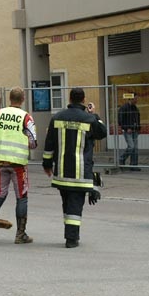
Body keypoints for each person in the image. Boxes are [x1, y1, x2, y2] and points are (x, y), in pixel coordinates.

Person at [43, 88, 107, 248]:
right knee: (75, 206)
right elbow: (102, 132)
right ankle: (71, 238)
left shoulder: (57, 118)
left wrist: (47, 164)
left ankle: (70, 233)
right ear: (84, 100)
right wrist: (95, 115)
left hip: (62, 172)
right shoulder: (89, 119)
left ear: (70, 99)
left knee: (67, 204)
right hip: (80, 173)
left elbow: (49, 144)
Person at [0, 87, 37, 245]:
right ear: (23, 99)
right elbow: (33, 142)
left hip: (0, 162)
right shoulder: (26, 117)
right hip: (18, 164)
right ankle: (20, 234)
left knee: (0, 194)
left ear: (10, 98)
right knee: (21, 197)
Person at [117, 92, 141, 171]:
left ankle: (134, 165)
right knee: (131, 146)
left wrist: (138, 128)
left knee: (135, 148)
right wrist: (126, 128)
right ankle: (122, 158)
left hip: (135, 130)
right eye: (135, 98)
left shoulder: (135, 108)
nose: (137, 100)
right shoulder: (124, 108)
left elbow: (137, 119)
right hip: (128, 131)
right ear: (131, 99)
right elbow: (120, 120)